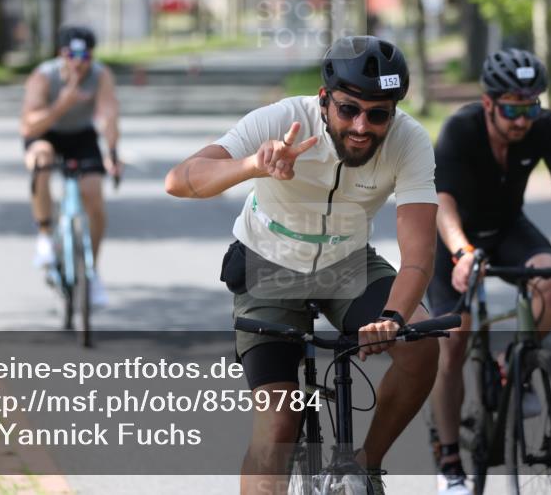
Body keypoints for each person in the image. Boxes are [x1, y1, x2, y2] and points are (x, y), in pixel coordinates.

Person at [165, 36, 440, 495]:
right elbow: (180, 180)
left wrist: (391, 318)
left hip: (346, 261)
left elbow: (418, 255)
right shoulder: (282, 119)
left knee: (422, 344)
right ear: (324, 99)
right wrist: (253, 165)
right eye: (349, 109)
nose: (361, 126)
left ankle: (365, 464)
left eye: (378, 114)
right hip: (267, 264)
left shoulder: (409, 140)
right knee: (278, 427)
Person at [426, 48, 551, 494]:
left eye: (532, 107)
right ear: (489, 102)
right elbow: (442, 201)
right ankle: (450, 460)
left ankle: (513, 367)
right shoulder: (461, 129)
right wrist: (461, 252)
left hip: (508, 228)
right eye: (512, 108)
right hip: (454, 237)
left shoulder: (543, 127)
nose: (522, 120)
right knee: (453, 341)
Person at [20, 25, 122, 308]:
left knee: (94, 195)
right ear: (61, 54)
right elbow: (29, 124)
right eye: (72, 54)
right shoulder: (43, 77)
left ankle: (91, 271)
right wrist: (62, 104)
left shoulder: (100, 75)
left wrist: (112, 151)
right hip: (45, 132)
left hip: (80, 135)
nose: (79, 61)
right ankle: (44, 236)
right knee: (40, 162)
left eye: (85, 55)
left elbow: (108, 114)